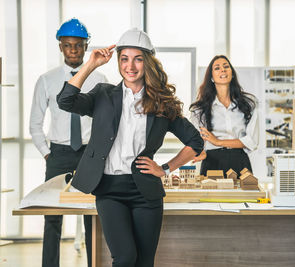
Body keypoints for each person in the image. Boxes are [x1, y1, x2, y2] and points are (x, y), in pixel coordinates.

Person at [56, 28, 203, 267]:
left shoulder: (161, 102)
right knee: (125, 258)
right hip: (109, 190)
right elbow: (65, 100)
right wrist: (91, 64)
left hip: (145, 190)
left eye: (138, 59)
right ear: (118, 62)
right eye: (124, 59)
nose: (130, 66)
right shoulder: (104, 94)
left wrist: (165, 168)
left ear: (148, 63)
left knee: (144, 262)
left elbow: (195, 142)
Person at [29, 18, 107, 267]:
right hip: (58, 154)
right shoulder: (46, 80)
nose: (73, 49)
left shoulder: (100, 78)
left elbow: (106, 121)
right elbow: (35, 123)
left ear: (86, 46)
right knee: (52, 216)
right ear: (60, 47)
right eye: (67, 45)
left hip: (88, 154)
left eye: (78, 45)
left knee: (92, 215)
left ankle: (94, 263)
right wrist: (47, 154)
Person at [189, 55, 259, 177]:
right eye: (217, 68)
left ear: (232, 73)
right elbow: (196, 139)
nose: (223, 70)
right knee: (213, 196)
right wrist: (201, 151)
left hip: (240, 162)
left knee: (243, 196)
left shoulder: (248, 103)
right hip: (212, 161)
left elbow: (251, 141)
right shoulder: (200, 108)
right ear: (211, 77)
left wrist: (218, 141)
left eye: (226, 66)